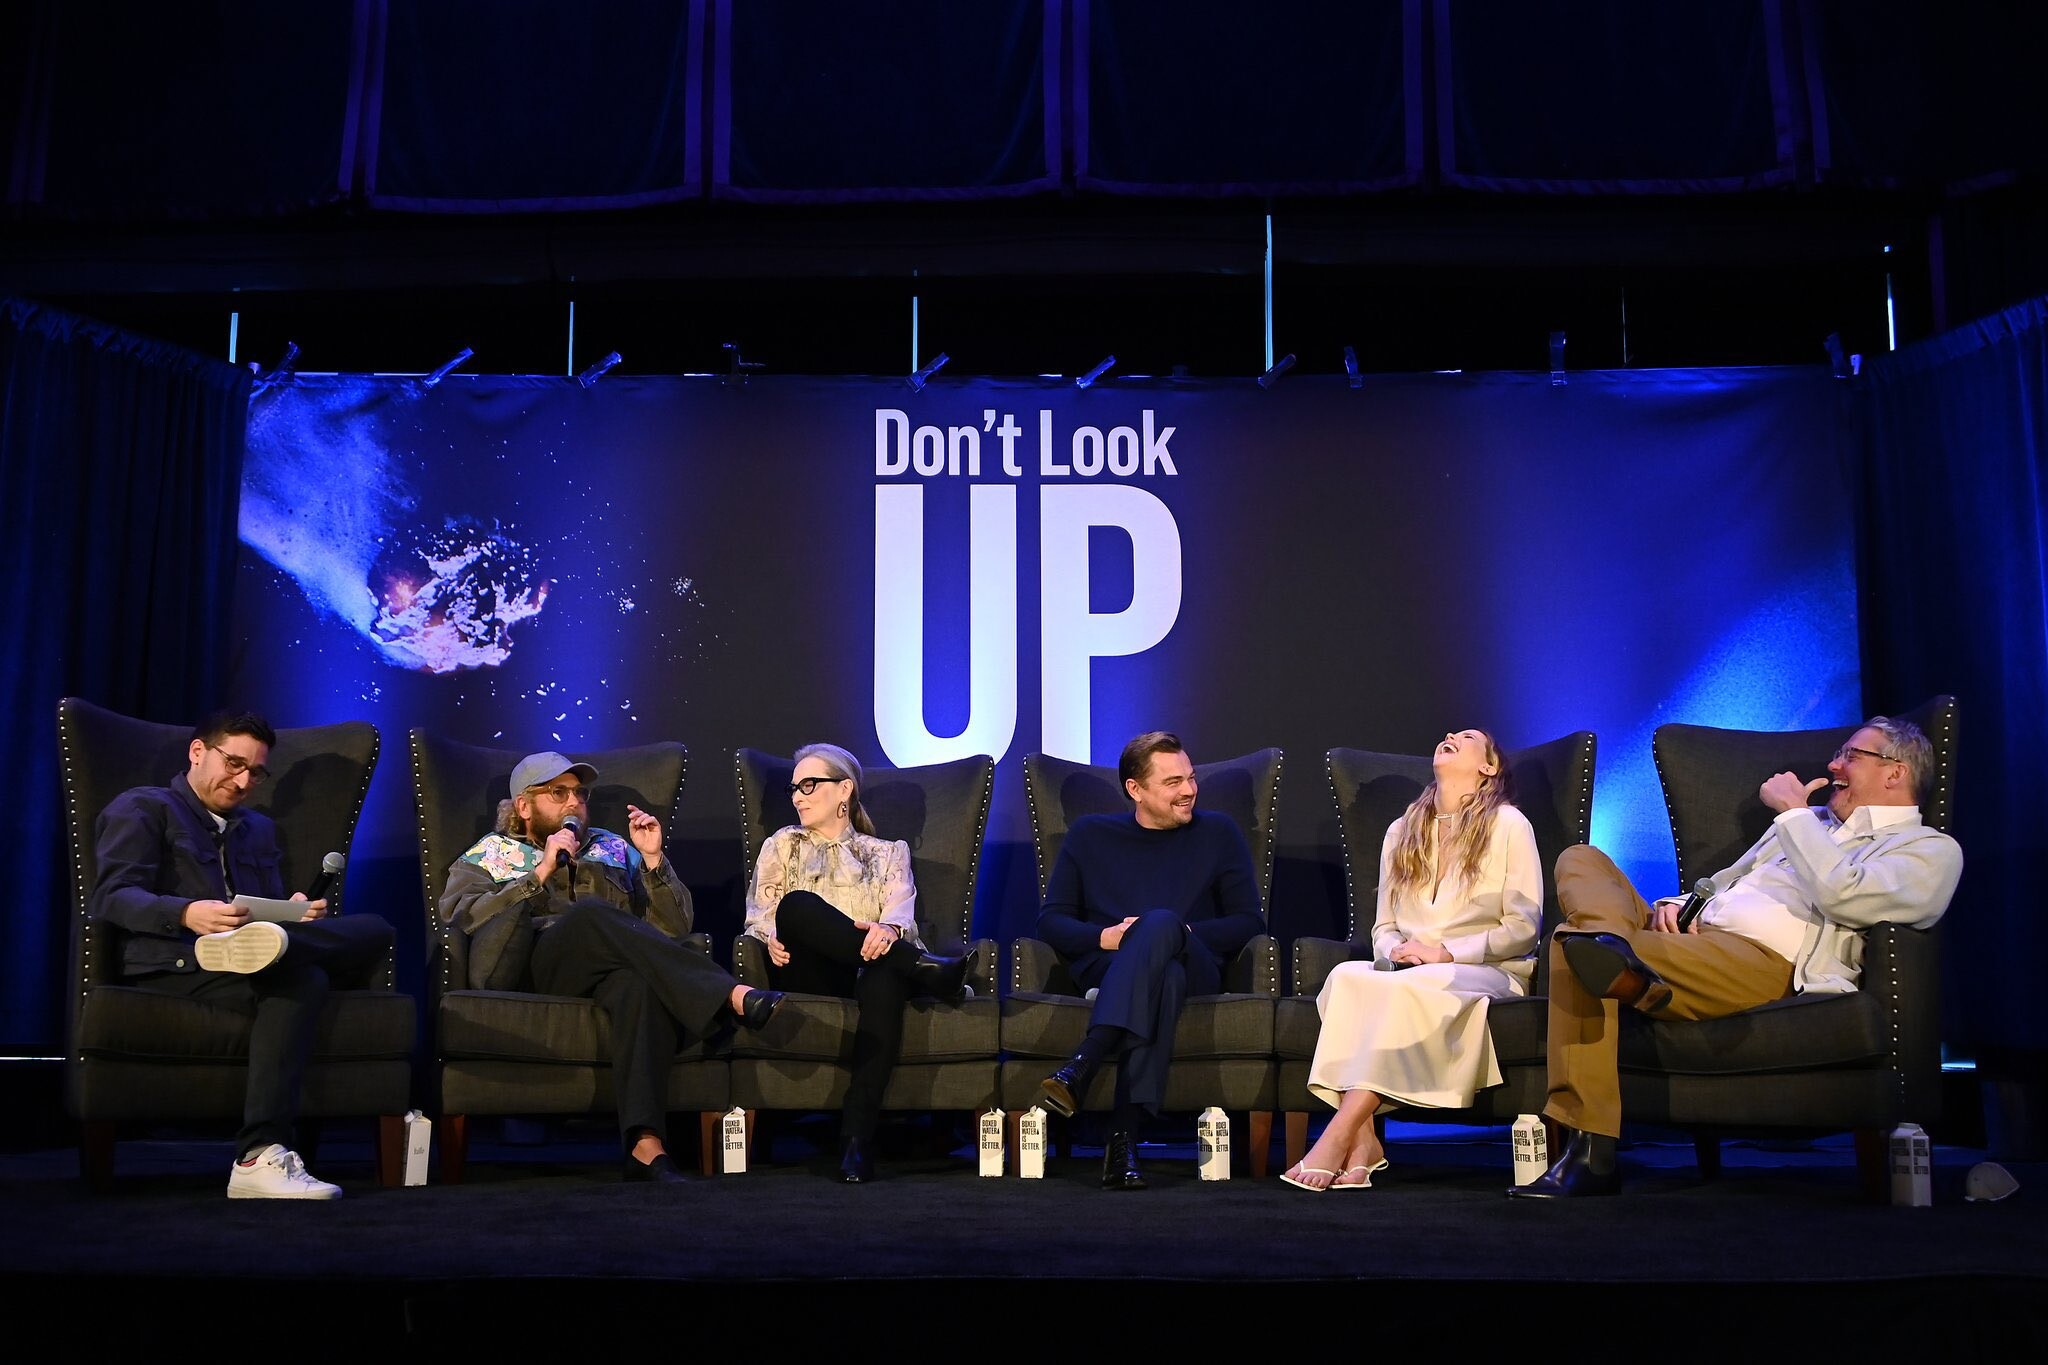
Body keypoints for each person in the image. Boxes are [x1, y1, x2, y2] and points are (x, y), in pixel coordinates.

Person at [1511, 714, 1963, 1198]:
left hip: (1759, 962)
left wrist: (1792, 814)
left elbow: (1844, 895)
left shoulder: (1927, 850)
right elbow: (1727, 882)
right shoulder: (1811, 823)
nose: (1834, 765)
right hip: (1692, 939)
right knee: (1580, 858)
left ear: (1895, 772)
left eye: (1850, 755)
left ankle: (1591, 1148)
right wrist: (1681, 905)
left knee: (1572, 944)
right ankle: (1618, 957)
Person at [89, 709, 395, 1199]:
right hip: (179, 960)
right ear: (197, 752)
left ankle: (287, 943)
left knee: (375, 929)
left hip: (251, 955)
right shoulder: (143, 808)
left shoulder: (259, 829)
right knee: (307, 975)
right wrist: (186, 912)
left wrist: (290, 914)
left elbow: (260, 905)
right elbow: (112, 896)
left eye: (255, 772)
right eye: (234, 764)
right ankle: (258, 1156)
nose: (243, 781)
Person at [440, 750, 784, 1184]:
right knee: (589, 915)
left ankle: (644, 1144)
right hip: (529, 966)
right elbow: (460, 918)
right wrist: (540, 872)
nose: (574, 802)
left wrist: (654, 861)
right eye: (558, 792)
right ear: (523, 806)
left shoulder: (614, 848)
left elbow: (673, 929)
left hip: (602, 968)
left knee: (636, 986)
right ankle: (728, 994)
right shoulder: (490, 853)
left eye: (579, 793)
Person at [1283, 728, 1541, 1191]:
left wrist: (1445, 954)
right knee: (1345, 977)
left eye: (1467, 737)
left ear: (1488, 767)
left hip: (1488, 970)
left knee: (1409, 988)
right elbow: (1383, 927)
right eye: (1450, 733)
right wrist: (1396, 954)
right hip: (1409, 971)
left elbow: (1523, 928)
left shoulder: (1509, 824)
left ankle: (1340, 1133)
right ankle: (1366, 1144)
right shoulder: (1401, 830)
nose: (1450, 735)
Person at [1034, 731, 1263, 1189]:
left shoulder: (1218, 833)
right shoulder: (1090, 836)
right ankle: (1123, 1141)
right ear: (1135, 789)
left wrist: (1178, 932)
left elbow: (1249, 921)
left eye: (1191, 778)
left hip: (1197, 964)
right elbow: (1051, 921)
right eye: (1173, 782)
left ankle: (1087, 1058)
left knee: (1162, 925)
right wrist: (1107, 937)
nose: (1189, 790)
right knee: (1164, 979)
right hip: (1115, 966)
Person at [743, 743, 972, 1183]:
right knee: (795, 905)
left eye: (809, 785)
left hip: (871, 973)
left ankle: (856, 1141)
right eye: (794, 788)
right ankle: (924, 968)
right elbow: (760, 914)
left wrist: (887, 933)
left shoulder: (888, 853)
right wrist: (768, 935)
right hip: (809, 971)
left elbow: (899, 917)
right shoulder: (783, 845)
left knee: (885, 974)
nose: (797, 797)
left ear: (844, 789)